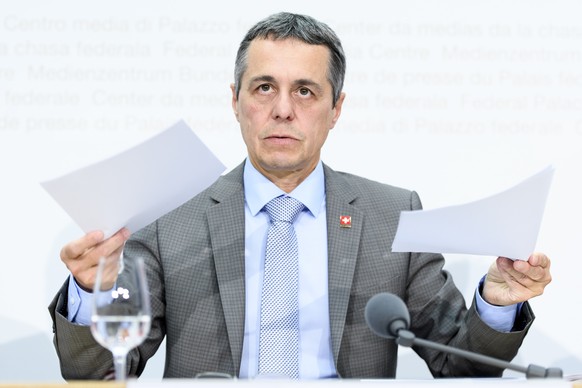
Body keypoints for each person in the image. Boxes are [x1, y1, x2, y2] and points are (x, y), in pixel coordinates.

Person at [49, 12, 552, 380]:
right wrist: (91, 293)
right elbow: (93, 373)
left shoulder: (390, 215)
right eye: (264, 88)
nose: (283, 110)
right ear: (236, 101)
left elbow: (458, 363)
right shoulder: (171, 215)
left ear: (336, 109)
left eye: (306, 91)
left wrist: (496, 304)